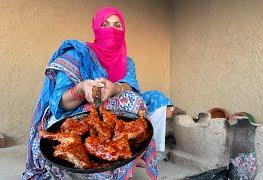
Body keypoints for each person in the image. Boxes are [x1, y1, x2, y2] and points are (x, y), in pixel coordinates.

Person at [22, 7, 173, 179]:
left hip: (113, 119)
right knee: (129, 103)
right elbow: (58, 103)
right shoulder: (77, 55)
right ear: (96, 28)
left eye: (117, 25)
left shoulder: (127, 62)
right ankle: (104, 161)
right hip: (73, 115)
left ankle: (130, 155)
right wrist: (80, 89)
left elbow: (131, 87)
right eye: (105, 24)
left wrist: (115, 88)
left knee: (151, 100)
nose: (112, 30)